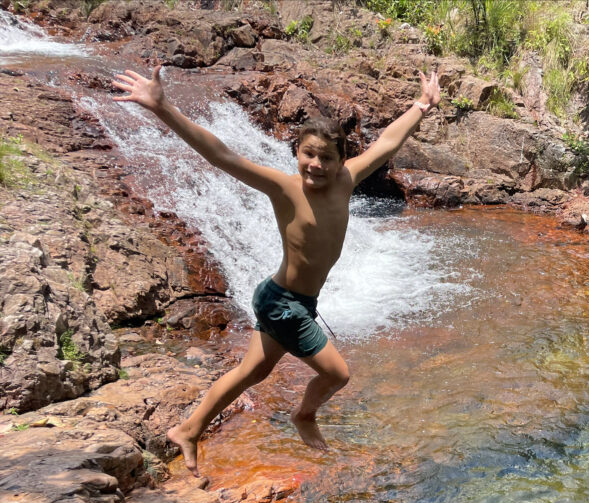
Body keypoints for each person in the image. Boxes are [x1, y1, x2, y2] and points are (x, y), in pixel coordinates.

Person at [113, 64, 441, 476]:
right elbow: (222, 155)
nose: (316, 165)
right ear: (296, 154)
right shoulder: (284, 188)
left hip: (294, 299)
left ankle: (189, 429)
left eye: (326, 157)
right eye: (308, 154)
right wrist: (163, 108)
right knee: (337, 375)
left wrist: (421, 105)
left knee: (253, 371)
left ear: (342, 160)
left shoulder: (347, 179)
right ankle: (304, 415)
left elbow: (389, 142)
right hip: (283, 304)